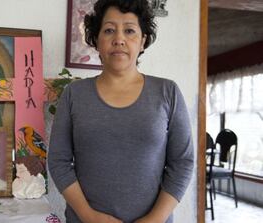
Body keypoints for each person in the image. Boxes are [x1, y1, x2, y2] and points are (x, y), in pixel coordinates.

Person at [48, 0, 194, 223]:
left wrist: (155, 219)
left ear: (143, 41)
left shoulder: (168, 92)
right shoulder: (73, 94)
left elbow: (182, 162)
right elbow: (58, 161)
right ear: (96, 40)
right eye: (108, 30)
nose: (119, 39)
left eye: (129, 30)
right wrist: (89, 216)